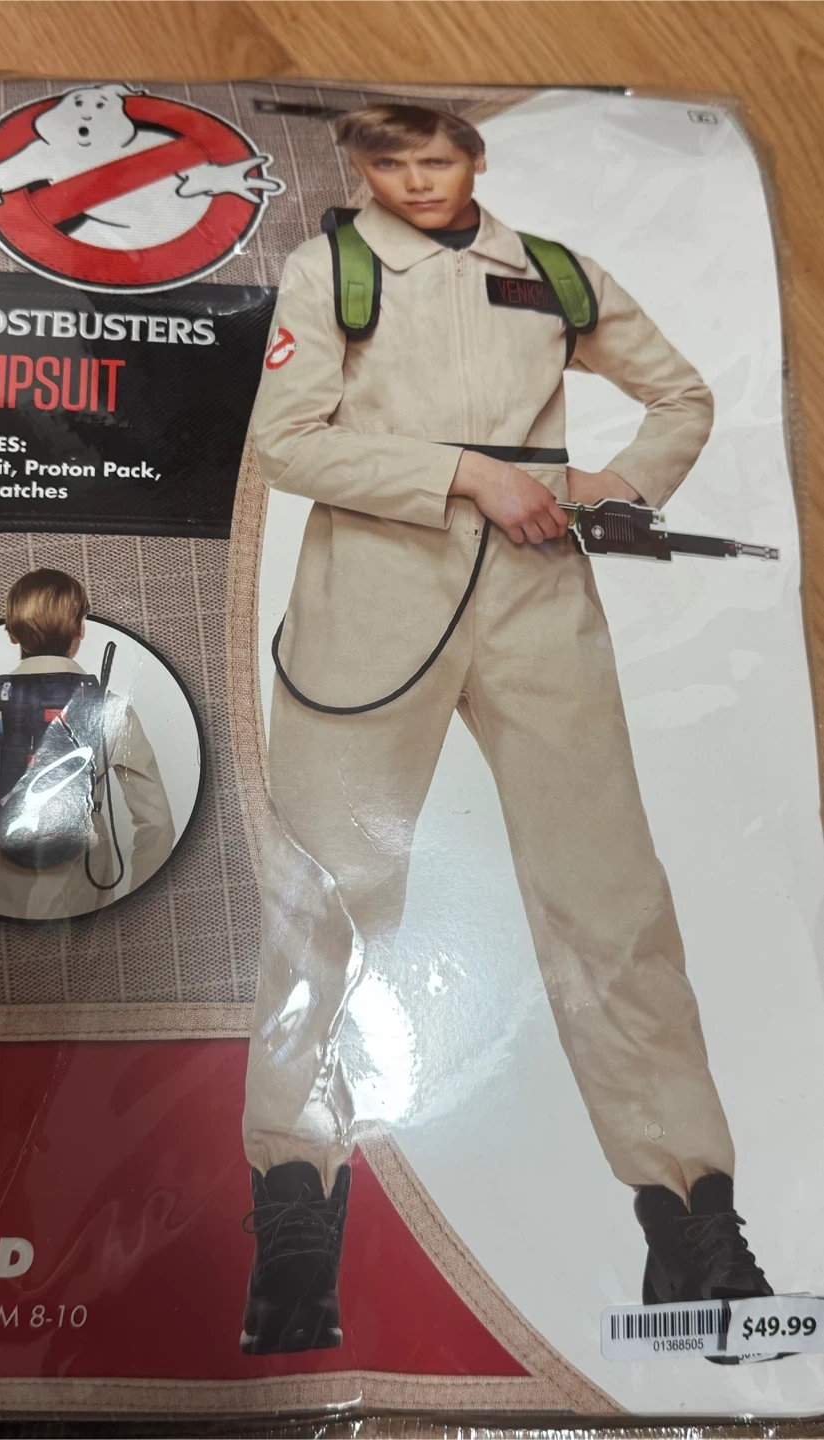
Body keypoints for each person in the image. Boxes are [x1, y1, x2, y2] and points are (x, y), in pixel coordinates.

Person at [239, 103, 772, 1358]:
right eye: (389, 162)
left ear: (476, 159)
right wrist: (467, 474)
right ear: (361, 166)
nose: (415, 181)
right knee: (328, 904)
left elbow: (680, 396)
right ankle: (296, 1213)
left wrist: (615, 486)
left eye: (437, 158)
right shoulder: (333, 269)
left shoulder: (552, 273)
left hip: (539, 606)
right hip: (369, 608)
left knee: (611, 903)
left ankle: (689, 1215)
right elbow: (284, 443)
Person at [0, 569, 175, 922]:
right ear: (81, 629)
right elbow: (157, 823)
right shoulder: (112, 710)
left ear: (11, 632)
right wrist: (138, 909)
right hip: (83, 873)